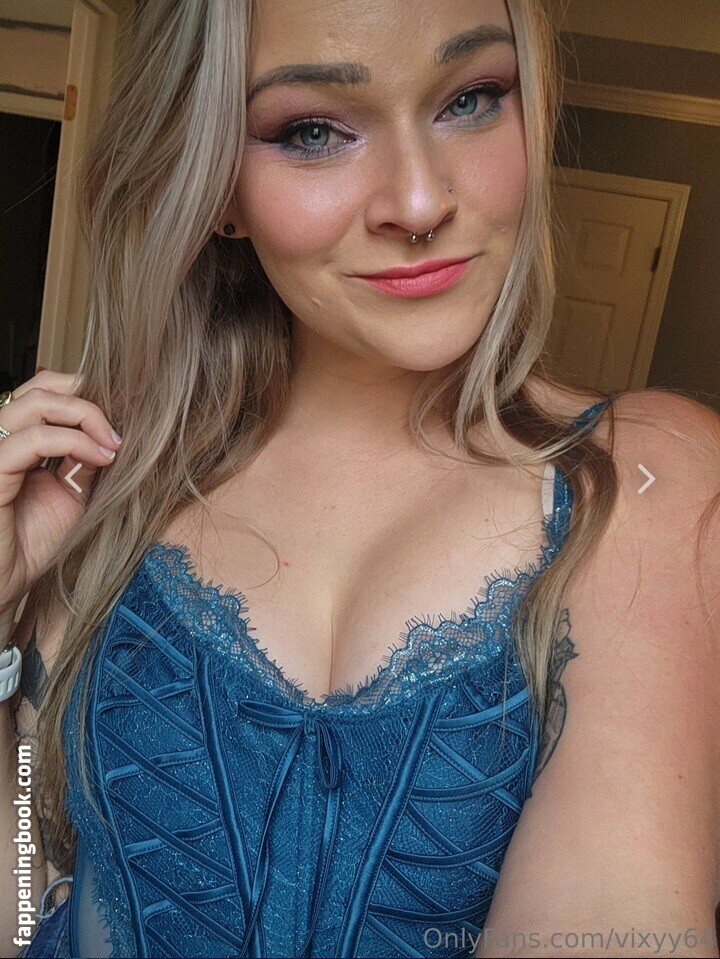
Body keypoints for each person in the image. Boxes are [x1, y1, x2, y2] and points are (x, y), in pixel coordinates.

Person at [1, 0, 719, 956]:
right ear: (217, 184)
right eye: (312, 131)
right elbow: (29, 898)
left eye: (471, 98)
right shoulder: (107, 481)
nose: (419, 203)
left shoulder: (637, 482)